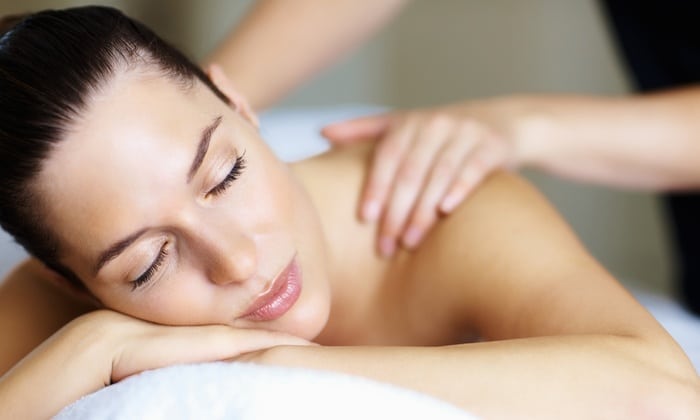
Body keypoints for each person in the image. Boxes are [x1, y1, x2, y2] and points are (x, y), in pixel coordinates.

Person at [0, 6, 698, 419]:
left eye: (227, 173)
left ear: (241, 105)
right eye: (150, 264)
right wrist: (95, 349)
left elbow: (666, 395)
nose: (239, 259)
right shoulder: (68, 293)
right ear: (69, 281)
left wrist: (273, 366)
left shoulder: (436, 214)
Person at [208, 0, 700, 314]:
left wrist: (524, 126)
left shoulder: (481, 215)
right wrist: (198, 100)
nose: (237, 260)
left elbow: (651, 392)